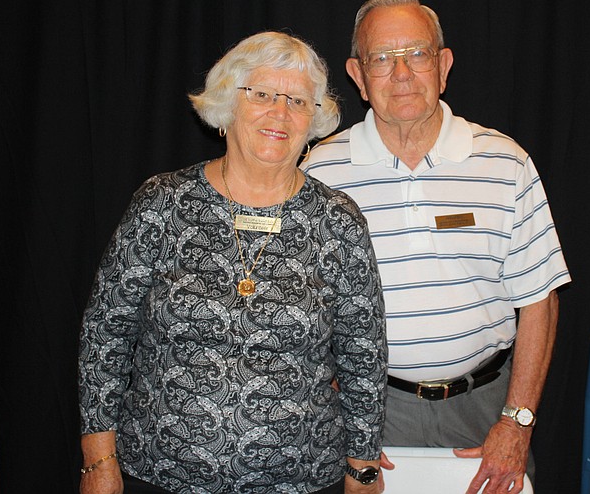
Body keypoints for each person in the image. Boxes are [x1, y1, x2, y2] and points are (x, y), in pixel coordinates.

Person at [78, 31, 387, 494]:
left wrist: (363, 470)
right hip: (160, 475)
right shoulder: (161, 204)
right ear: (227, 103)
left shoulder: (338, 221)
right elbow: (106, 334)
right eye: (262, 94)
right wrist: (98, 461)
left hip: (302, 479)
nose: (280, 113)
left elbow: (364, 356)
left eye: (298, 101)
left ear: (313, 121)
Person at [301, 0, 570, 494]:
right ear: (358, 76)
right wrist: (333, 410)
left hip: (487, 408)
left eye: (417, 54)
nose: (401, 73)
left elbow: (540, 302)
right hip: (369, 411)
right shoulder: (318, 174)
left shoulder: (505, 164)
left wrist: (518, 421)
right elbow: (299, 312)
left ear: (443, 66)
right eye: (381, 58)